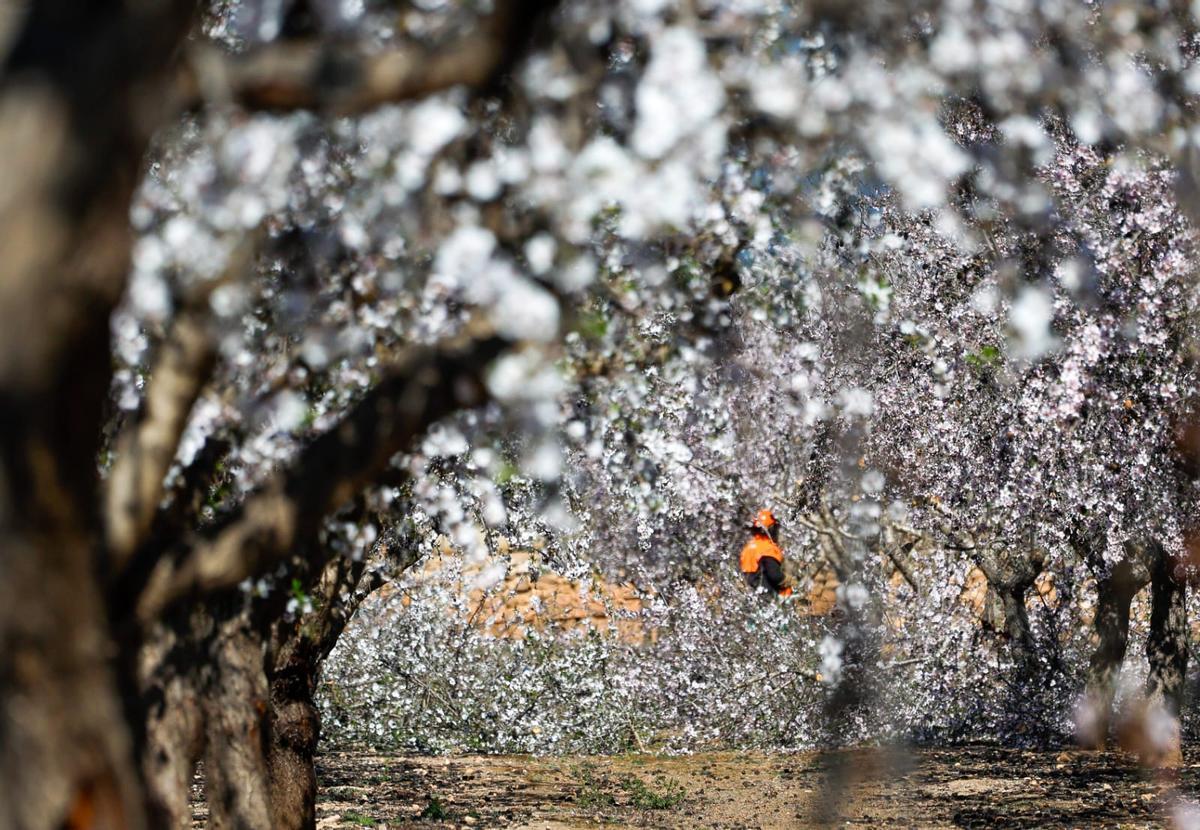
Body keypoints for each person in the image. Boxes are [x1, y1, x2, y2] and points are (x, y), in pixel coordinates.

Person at [739, 508, 793, 598]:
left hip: (749, 595)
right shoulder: (767, 548)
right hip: (767, 596)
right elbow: (775, 575)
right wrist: (788, 581)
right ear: (771, 529)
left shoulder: (749, 547)